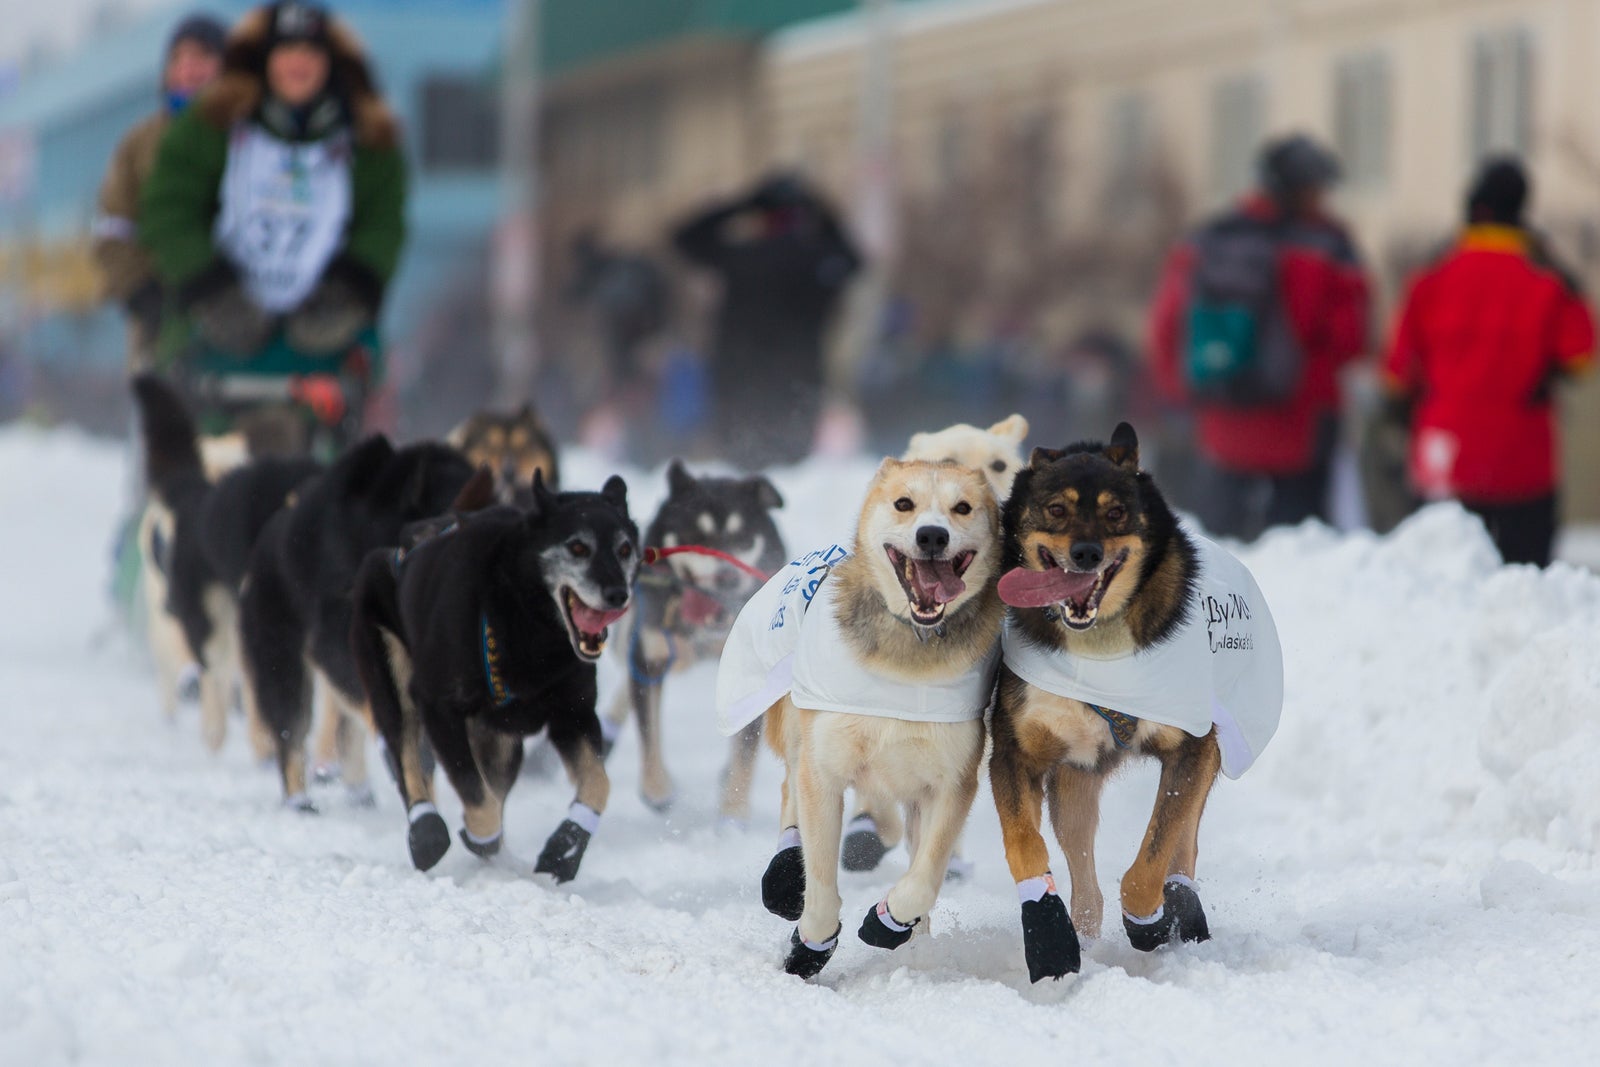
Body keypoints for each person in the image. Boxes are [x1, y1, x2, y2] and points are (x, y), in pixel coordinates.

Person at [140, 0, 405, 447]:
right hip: (219, 335)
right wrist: (209, 288)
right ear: (266, 61)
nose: (298, 64)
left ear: (329, 63)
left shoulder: (367, 140)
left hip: (322, 340)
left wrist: (347, 293)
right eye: (286, 52)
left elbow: (383, 224)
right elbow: (170, 207)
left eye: (310, 53)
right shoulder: (213, 127)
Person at [1149, 134, 1371, 540]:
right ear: (1303, 189)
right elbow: (1352, 338)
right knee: (1300, 551)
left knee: (1216, 552)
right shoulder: (1329, 245)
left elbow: (1167, 326)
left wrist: (1184, 394)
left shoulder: (1207, 239)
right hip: (1302, 424)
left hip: (1223, 421)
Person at [1380, 158, 1596, 566]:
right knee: (1525, 583)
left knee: (1436, 579)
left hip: (1443, 456)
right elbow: (1581, 357)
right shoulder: (1546, 279)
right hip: (1522, 461)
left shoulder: (1431, 275)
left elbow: (1396, 373)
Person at [672, 171, 860, 468]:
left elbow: (684, 238)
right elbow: (854, 258)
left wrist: (744, 204)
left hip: (739, 376)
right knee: (795, 474)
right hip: (797, 378)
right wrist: (820, 209)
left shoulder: (742, 255)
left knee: (740, 467)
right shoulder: (815, 258)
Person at [93, 14, 226, 374]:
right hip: (160, 312)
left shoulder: (247, 138)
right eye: (178, 59)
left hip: (235, 313)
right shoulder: (141, 142)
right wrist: (140, 292)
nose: (187, 69)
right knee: (166, 418)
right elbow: (112, 228)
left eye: (201, 58)